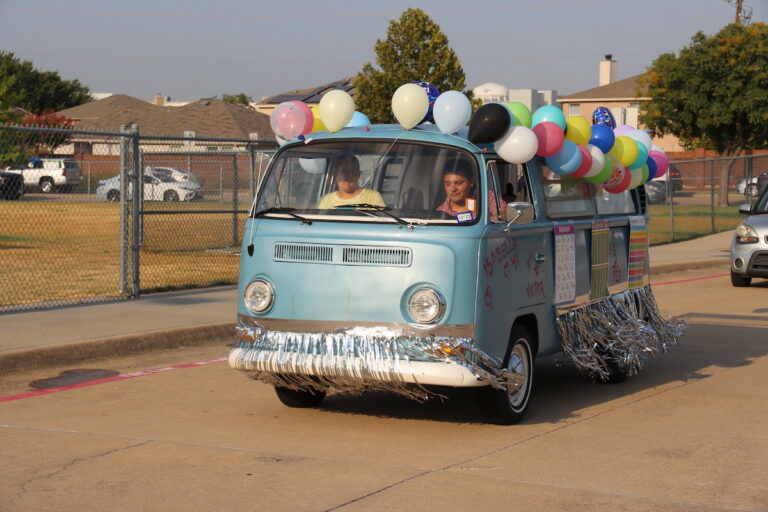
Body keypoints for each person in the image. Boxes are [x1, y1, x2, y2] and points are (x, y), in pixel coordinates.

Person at [436, 158, 505, 219]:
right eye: (448, 184)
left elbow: (504, 214)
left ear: (471, 182)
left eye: (459, 183)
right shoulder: (440, 213)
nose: (453, 189)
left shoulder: (486, 196)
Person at [318, 154, 385, 208]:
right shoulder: (326, 200)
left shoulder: (372, 197)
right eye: (342, 171)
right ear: (335, 175)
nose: (346, 175)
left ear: (358, 174)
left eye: (351, 171)